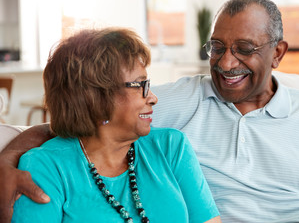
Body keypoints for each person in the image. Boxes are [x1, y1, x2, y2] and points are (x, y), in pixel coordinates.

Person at [0, 0, 299, 223]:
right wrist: (6, 159)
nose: (226, 62)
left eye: (244, 48)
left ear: (277, 52)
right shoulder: (184, 100)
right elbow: (94, 120)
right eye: (217, 47)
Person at [9, 28, 221, 223]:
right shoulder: (45, 167)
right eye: (141, 85)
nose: (153, 98)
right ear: (97, 97)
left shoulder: (171, 147)